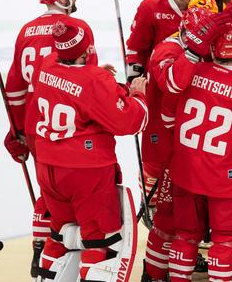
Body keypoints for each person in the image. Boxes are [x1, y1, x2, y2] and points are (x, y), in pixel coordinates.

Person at [29, 20, 148, 281]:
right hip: (86, 172)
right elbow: (127, 122)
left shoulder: (46, 65)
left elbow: (76, 86)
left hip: (49, 168)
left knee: (60, 234)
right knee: (100, 242)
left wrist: (99, 78)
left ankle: (45, 276)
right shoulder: (93, 80)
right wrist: (138, 96)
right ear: (85, 51)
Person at [3, 0, 97, 278]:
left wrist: (17, 130)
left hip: (34, 120)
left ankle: (40, 249)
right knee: (75, 186)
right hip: (68, 117)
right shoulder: (77, 28)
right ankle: (80, 245)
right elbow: (89, 81)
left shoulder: (26, 30)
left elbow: (14, 88)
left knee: (48, 189)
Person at [165, 19, 232, 282]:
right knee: (224, 241)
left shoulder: (191, 73)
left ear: (212, 49)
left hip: (185, 172)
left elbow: (168, 118)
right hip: (225, 179)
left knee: (185, 236)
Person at [140, 7, 232, 282]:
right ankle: (155, 273)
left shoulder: (192, 45)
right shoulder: (166, 50)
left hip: (186, 147)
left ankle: (169, 268)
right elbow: (172, 85)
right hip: (165, 147)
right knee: (168, 218)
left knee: (181, 219)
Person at [124, 0, 204, 213]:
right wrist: (133, 81)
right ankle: (152, 202)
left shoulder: (208, 5)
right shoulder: (151, 7)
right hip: (160, 94)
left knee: (191, 154)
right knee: (156, 155)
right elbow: (135, 49)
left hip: (194, 94)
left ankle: (188, 209)